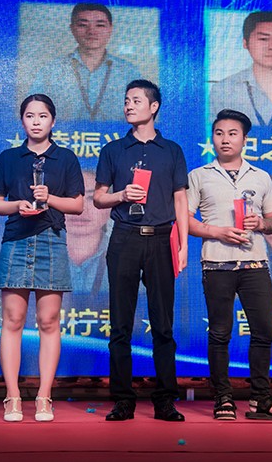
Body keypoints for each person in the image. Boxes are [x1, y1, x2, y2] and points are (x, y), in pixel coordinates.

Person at [187, 109, 272, 421]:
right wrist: (216, 231)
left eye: (232, 133)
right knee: (220, 333)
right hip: (216, 264)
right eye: (219, 133)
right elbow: (186, 220)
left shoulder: (260, 176)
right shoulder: (199, 175)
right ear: (212, 138)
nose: (225, 139)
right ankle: (223, 398)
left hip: (254, 264)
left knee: (264, 331)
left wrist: (261, 223)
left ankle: (260, 399)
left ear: (244, 139)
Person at [94, 80, 189, 422]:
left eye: (136, 100)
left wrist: (183, 244)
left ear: (154, 107)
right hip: (125, 238)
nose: (129, 106)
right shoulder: (114, 150)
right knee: (120, 324)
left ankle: (165, 399)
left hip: (162, 239)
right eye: (126, 100)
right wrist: (121, 195)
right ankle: (123, 399)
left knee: (163, 324)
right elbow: (98, 197)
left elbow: (181, 199)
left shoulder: (172, 150)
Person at [0, 94, 85, 422]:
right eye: (30, 116)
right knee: (13, 320)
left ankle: (44, 397)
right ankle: (12, 396)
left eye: (42, 116)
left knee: (49, 321)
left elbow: (78, 204)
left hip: (51, 240)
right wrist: (17, 205)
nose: (36, 121)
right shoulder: (9, 157)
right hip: (16, 239)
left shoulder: (66, 158)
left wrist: (50, 198)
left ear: (52, 121)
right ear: (22, 120)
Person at [30, 3, 142, 122]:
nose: (91, 32)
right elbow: (32, 112)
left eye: (100, 25)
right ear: (72, 29)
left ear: (110, 29)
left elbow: (143, 117)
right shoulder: (51, 71)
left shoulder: (129, 72)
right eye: (83, 25)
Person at [67, 170, 113, 295]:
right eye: (70, 196)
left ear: (110, 206)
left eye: (91, 198)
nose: (81, 209)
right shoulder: (39, 255)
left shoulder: (124, 255)